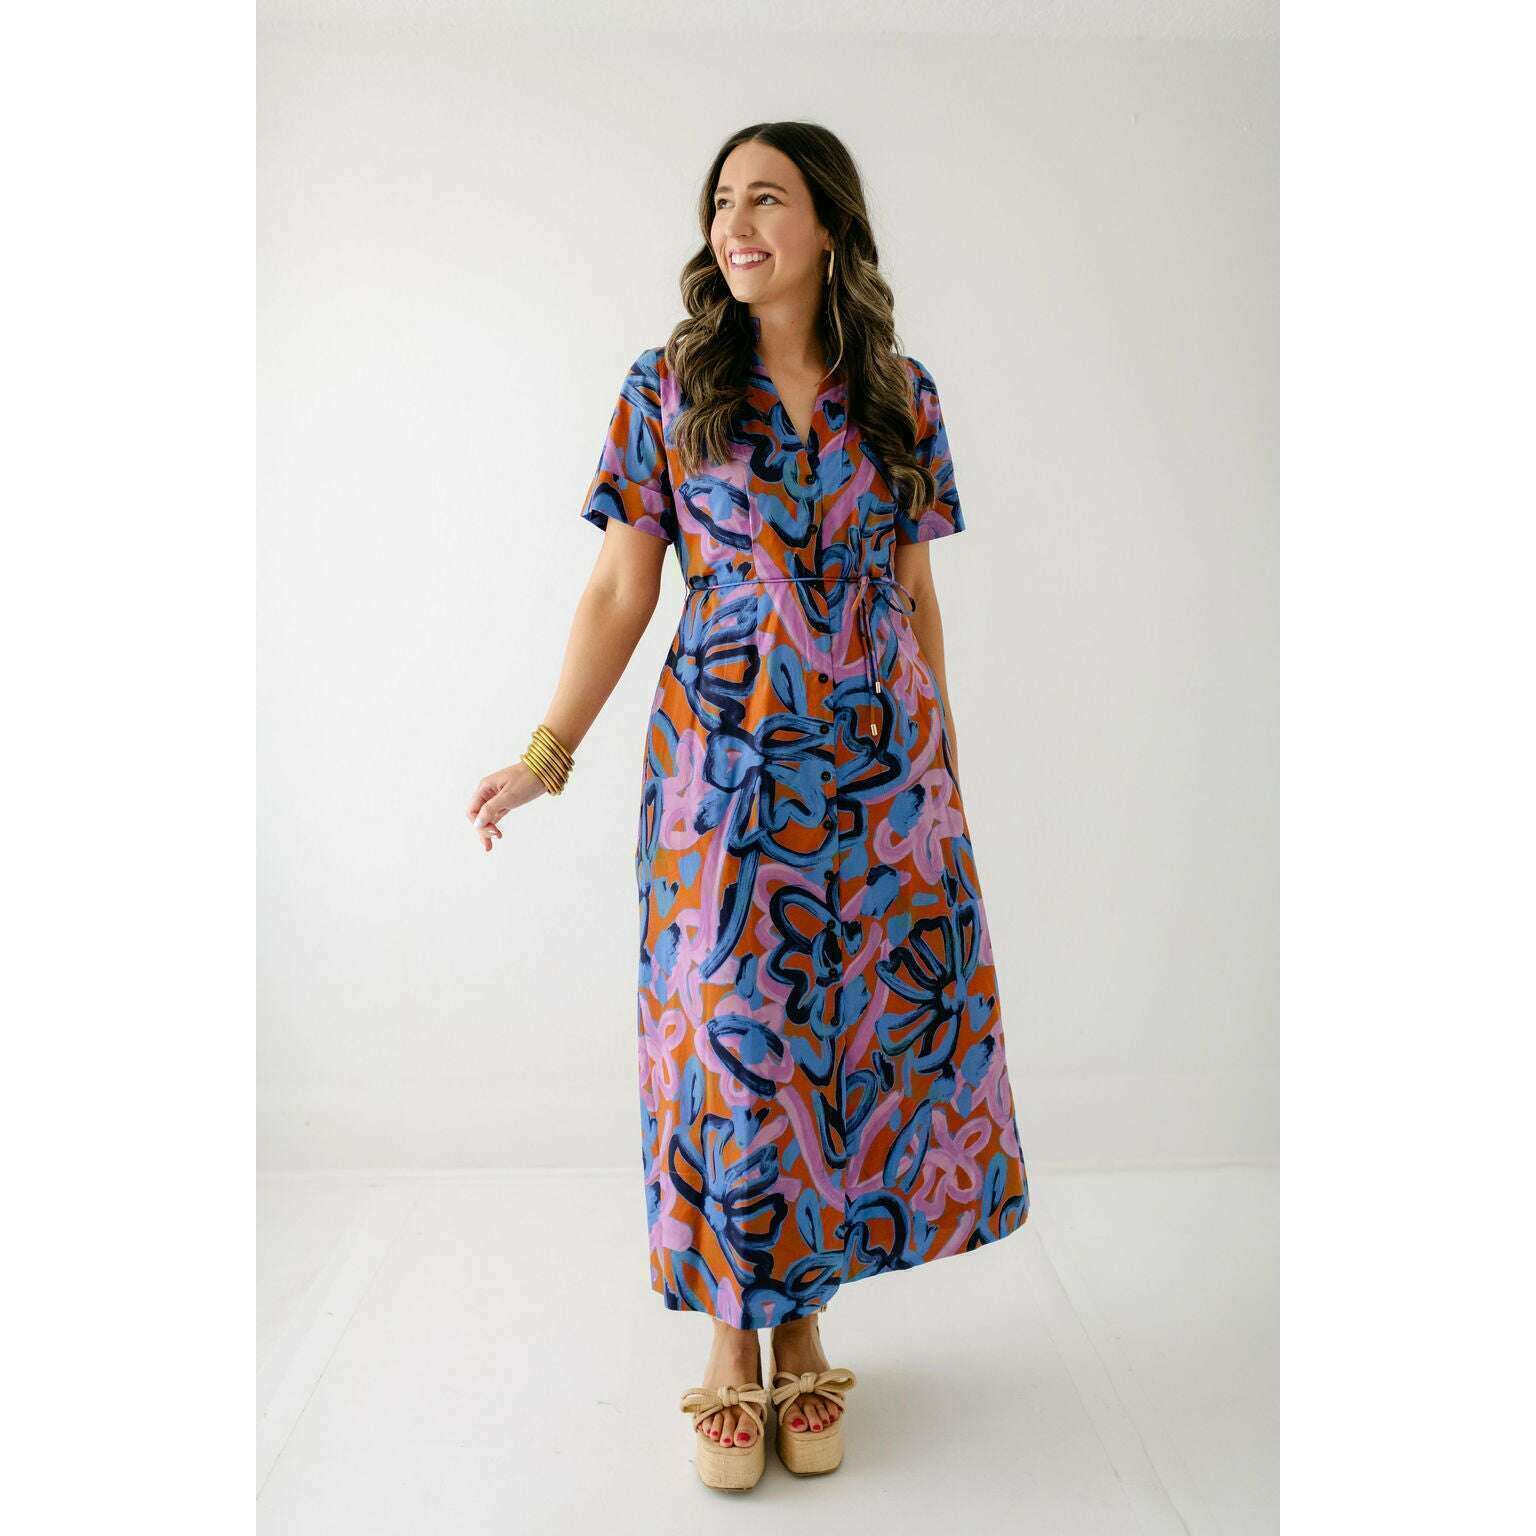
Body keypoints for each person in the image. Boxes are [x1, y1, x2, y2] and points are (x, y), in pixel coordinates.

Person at [467, 122, 1029, 1491]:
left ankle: (806, 1330)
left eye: (766, 199)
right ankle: (733, 1342)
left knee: (840, 1040)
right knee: (733, 1045)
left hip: (879, 775)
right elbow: (622, 588)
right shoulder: (668, 388)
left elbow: (916, 594)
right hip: (724, 773)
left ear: (828, 225)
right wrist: (546, 753)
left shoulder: (900, 394)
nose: (735, 225)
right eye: (722, 202)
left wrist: (943, 764)